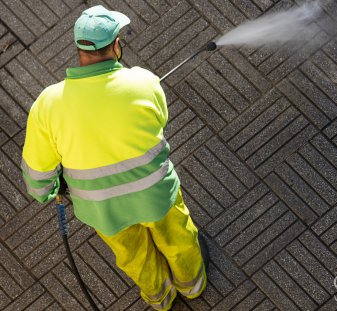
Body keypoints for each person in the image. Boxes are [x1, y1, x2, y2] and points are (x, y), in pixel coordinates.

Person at [21, 5, 207, 310]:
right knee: (178, 238)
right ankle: (193, 285)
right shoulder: (144, 82)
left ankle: (160, 298)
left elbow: (38, 177)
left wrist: (51, 193)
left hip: (103, 210)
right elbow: (159, 122)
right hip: (155, 196)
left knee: (134, 256)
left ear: (79, 48)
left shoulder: (48, 104)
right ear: (117, 45)